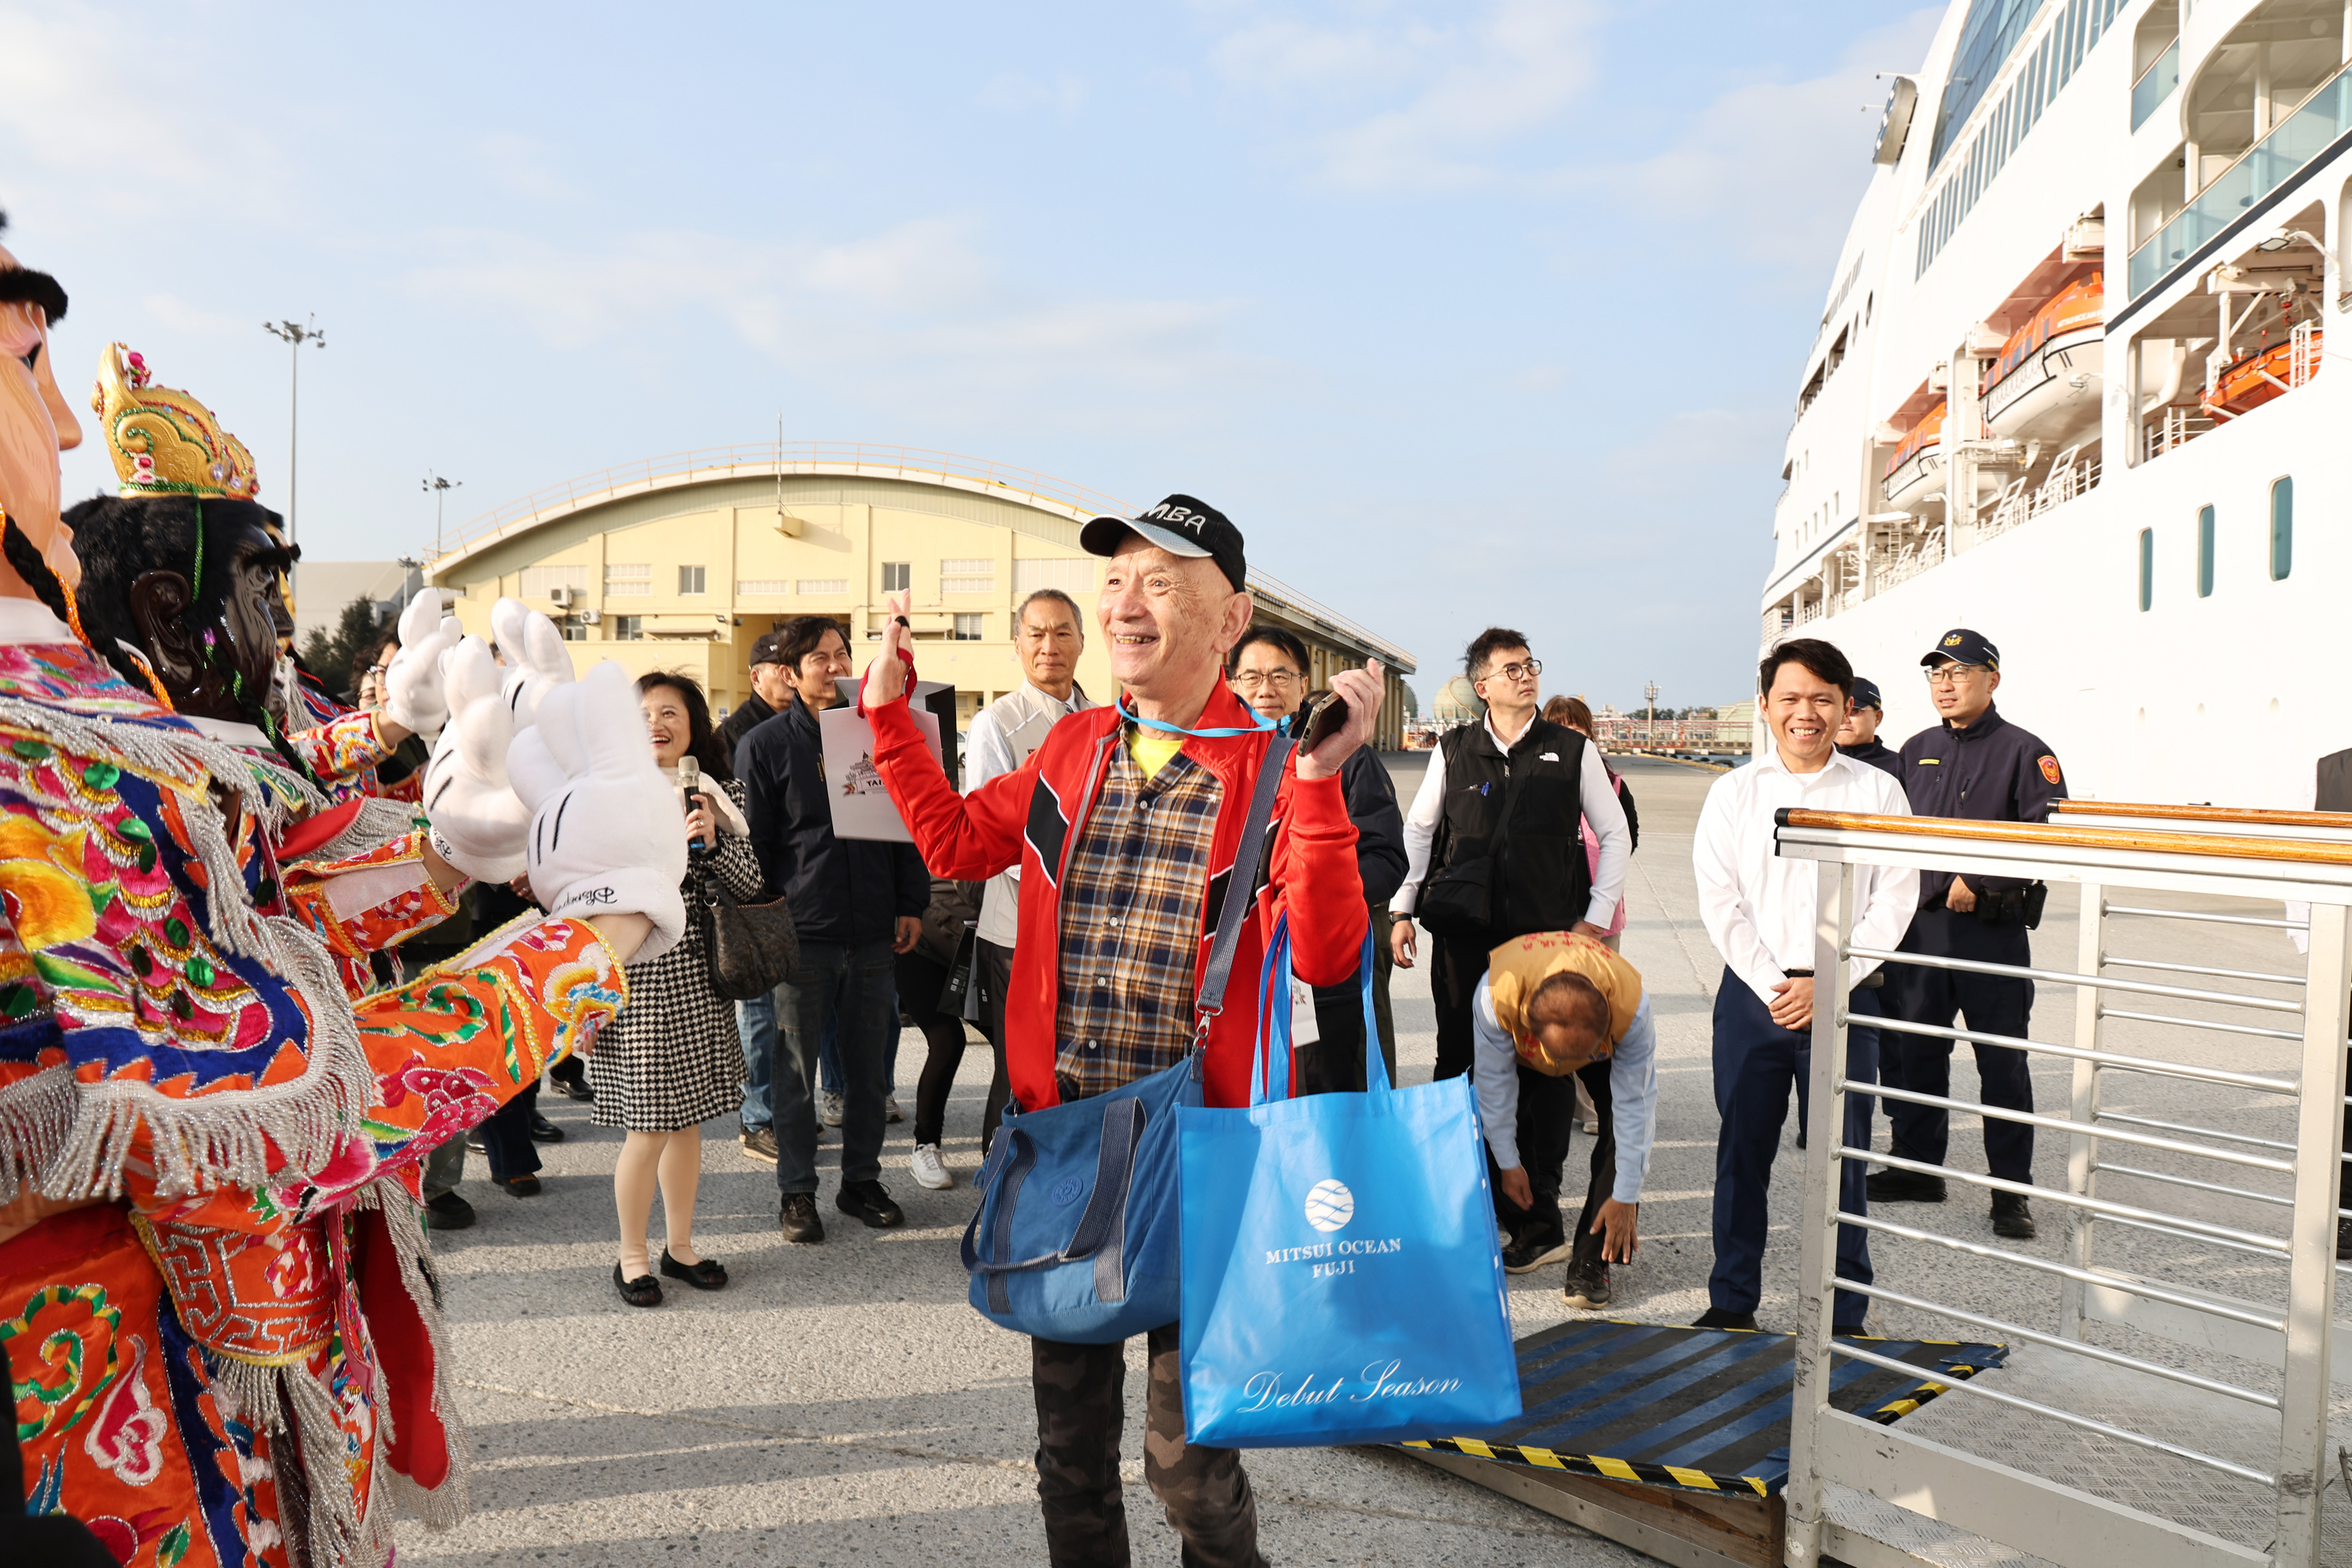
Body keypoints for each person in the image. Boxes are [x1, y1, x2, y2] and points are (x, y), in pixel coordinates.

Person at [0, 247, 684, 1562]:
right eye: (30, 366)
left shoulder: (79, 718)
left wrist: (449, 861)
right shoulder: (40, 751)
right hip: (103, 1401)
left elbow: (245, 907)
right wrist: (595, 927)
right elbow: (262, 1108)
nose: (70, 425)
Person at [862, 492, 1379, 1568]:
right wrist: (887, 716)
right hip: (1072, 1144)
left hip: (1206, 1150)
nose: (1123, 603)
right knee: (1070, 1449)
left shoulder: (1277, 769)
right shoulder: (1074, 748)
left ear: (1226, 617)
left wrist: (1323, 792)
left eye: (1157, 581)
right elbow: (956, 842)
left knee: (1189, 1460)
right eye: (1113, 580)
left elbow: (1329, 952)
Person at [1691, 637, 1916, 1332]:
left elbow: (1896, 894)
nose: (1805, 712)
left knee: (1841, 1160)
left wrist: (1831, 981)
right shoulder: (1734, 791)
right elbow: (1718, 899)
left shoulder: (1877, 789)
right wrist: (1773, 983)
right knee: (1742, 1154)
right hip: (1754, 1000)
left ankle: (1843, 1309)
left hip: (1846, 999)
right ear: (1764, 706)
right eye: (1790, 698)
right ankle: (1732, 1300)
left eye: (1822, 698)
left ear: (1845, 706)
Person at [734, 613, 927, 1241]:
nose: (839, 666)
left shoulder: (877, 731)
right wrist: (769, 920)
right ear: (789, 674)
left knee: (868, 1070)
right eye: (823, 657)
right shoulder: (763, 746)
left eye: (844, 654)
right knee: (793, 1069)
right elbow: (756, 845)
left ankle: (861, 1181)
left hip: (872, 927)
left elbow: (907, 823)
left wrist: (909, 901)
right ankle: (796, 1190)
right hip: (801, 935)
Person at [1870, 628, 2066, 1240]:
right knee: (1915, 1055)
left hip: (1989, 936)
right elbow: (1893, 830)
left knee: (2001, 1064)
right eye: (1936, 674)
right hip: (1923, 933)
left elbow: (2048, 832)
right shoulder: (1916, 747)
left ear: (1992, 679)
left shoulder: (2023, 751)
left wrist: (1976, 878)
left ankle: (2010, 1194)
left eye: (1958, 672)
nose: (1945, 684)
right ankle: (1916, 1169)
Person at [1390, 629, 1630, 1110]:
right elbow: (1419, 829)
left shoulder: (1572, 750)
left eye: (1530, 665)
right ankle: (1459, 1169)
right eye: (1512, 669)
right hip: (1463, 933)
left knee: (1543, 1062)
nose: (1527, 677)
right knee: (1456, 1054)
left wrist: (1594, 920)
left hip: (1543, 935)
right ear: (1482, 687)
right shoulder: (1452, 749)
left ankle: (1534, 1180)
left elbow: (1615, 834)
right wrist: (1402, 909)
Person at [595, 672, 764, 1306]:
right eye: (643, 714)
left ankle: (681, 1245)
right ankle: (631, 1255)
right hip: (637, 972)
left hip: (699, 974)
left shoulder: (721, 794)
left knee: (688, 1120)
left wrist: (714, 837)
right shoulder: (605, 799)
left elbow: (749, 884)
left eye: (670, 712)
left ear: (693, 725)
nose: (656, 724)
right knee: (648, 1125)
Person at [1228, 624, 1406, 1089]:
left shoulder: (1342, 754)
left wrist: (1317, 903)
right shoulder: (1223, 760)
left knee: (1315, 1077)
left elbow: (1385, 856)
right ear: (1230, 683)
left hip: (1316, 967)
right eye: (1251, 677)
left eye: (1280, 675)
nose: (1265, 689)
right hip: (1239, 968)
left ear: (1303, 685)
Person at [966, 586, 1095, 1153]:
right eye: (1037, 634)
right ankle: (1004, 1185)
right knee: (1020, 1065)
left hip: (1088, 928)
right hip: (1020, 927)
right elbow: (989, 833)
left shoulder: (1100, 720)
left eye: (1062, 632)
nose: (1050, 645)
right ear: (1016, 643)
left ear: (1082, 642)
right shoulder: (999, 723)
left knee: (1077, 1061)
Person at [1473, 931, 1660, 1310]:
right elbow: (1494, 1093)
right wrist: (1509, 1165)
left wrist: (1626, 1195)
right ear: (1528, 1026)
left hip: (1599, 1044)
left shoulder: (1631, 1008)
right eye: (1555, 1060)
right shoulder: (1496, 994)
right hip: (1524, 1037)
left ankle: (1592, 1260)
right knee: (1483, 1123)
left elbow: (1635, 1110)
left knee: (1619, 1138)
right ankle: (1537, 1233)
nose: (1562, 1071)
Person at [726, 627, 810, 1163]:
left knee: (791, 1021)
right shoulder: (739, 734)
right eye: (781, 665)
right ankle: (757, 1118)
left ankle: (786, 1112)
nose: (789, 673)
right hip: (754, 896)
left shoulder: (818, 727)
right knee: (759, 1017)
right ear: (758, 675)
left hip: (798, 897)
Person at [902, 875, 984, 1188]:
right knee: (947, 1040)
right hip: (916, 937)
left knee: (1009, 1042)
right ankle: (925, 1145)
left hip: (972, 938)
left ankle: (1003, 1147)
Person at [1835, 676, 1901, 778]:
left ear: (1877, 718)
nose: (1844, 720)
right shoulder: (1811, 764)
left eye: (1853, 711)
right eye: (1839, 711)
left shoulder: (1900, 767)